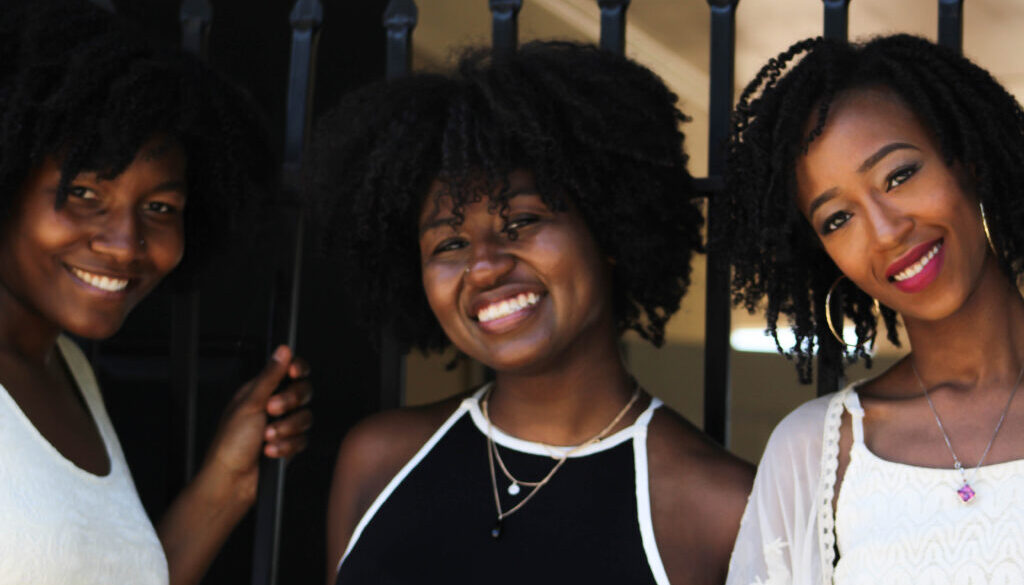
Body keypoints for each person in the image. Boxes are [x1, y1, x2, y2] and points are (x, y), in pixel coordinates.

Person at [310, 41, 754, 585]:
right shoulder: (378, 461)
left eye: (520, 221)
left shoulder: (718, 509)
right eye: (449, 245)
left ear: (607, 232)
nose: (485, 267)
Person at [0, 2, 312, 584]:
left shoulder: (67, 372)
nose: (124, 244)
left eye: (160, 208)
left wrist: (226, 480)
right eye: (85, 193)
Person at [720, 34, 1024, 585]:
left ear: (970, 160)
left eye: (900, 175)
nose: (886, 232)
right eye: (838, 218)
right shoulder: (817, 452)